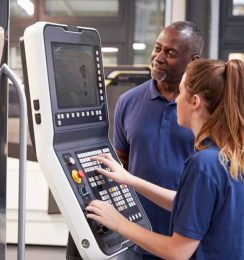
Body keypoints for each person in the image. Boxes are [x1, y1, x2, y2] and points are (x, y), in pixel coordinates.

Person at [86, 59, 244, 259]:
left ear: (195, 101)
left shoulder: (203, 165)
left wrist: (118, 222)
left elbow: (177, 251)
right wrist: (129, 179)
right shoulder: (228, 156)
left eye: (181, 92)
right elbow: (188, 204)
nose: (176, 100)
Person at [110, 20, 204, 259]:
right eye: (157, 48)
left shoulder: (203, 109)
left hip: (188, 239)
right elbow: (122, 162)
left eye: (170, 53)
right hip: (137, 236)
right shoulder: (128, 101)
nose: (159, 57)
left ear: (193, 61)